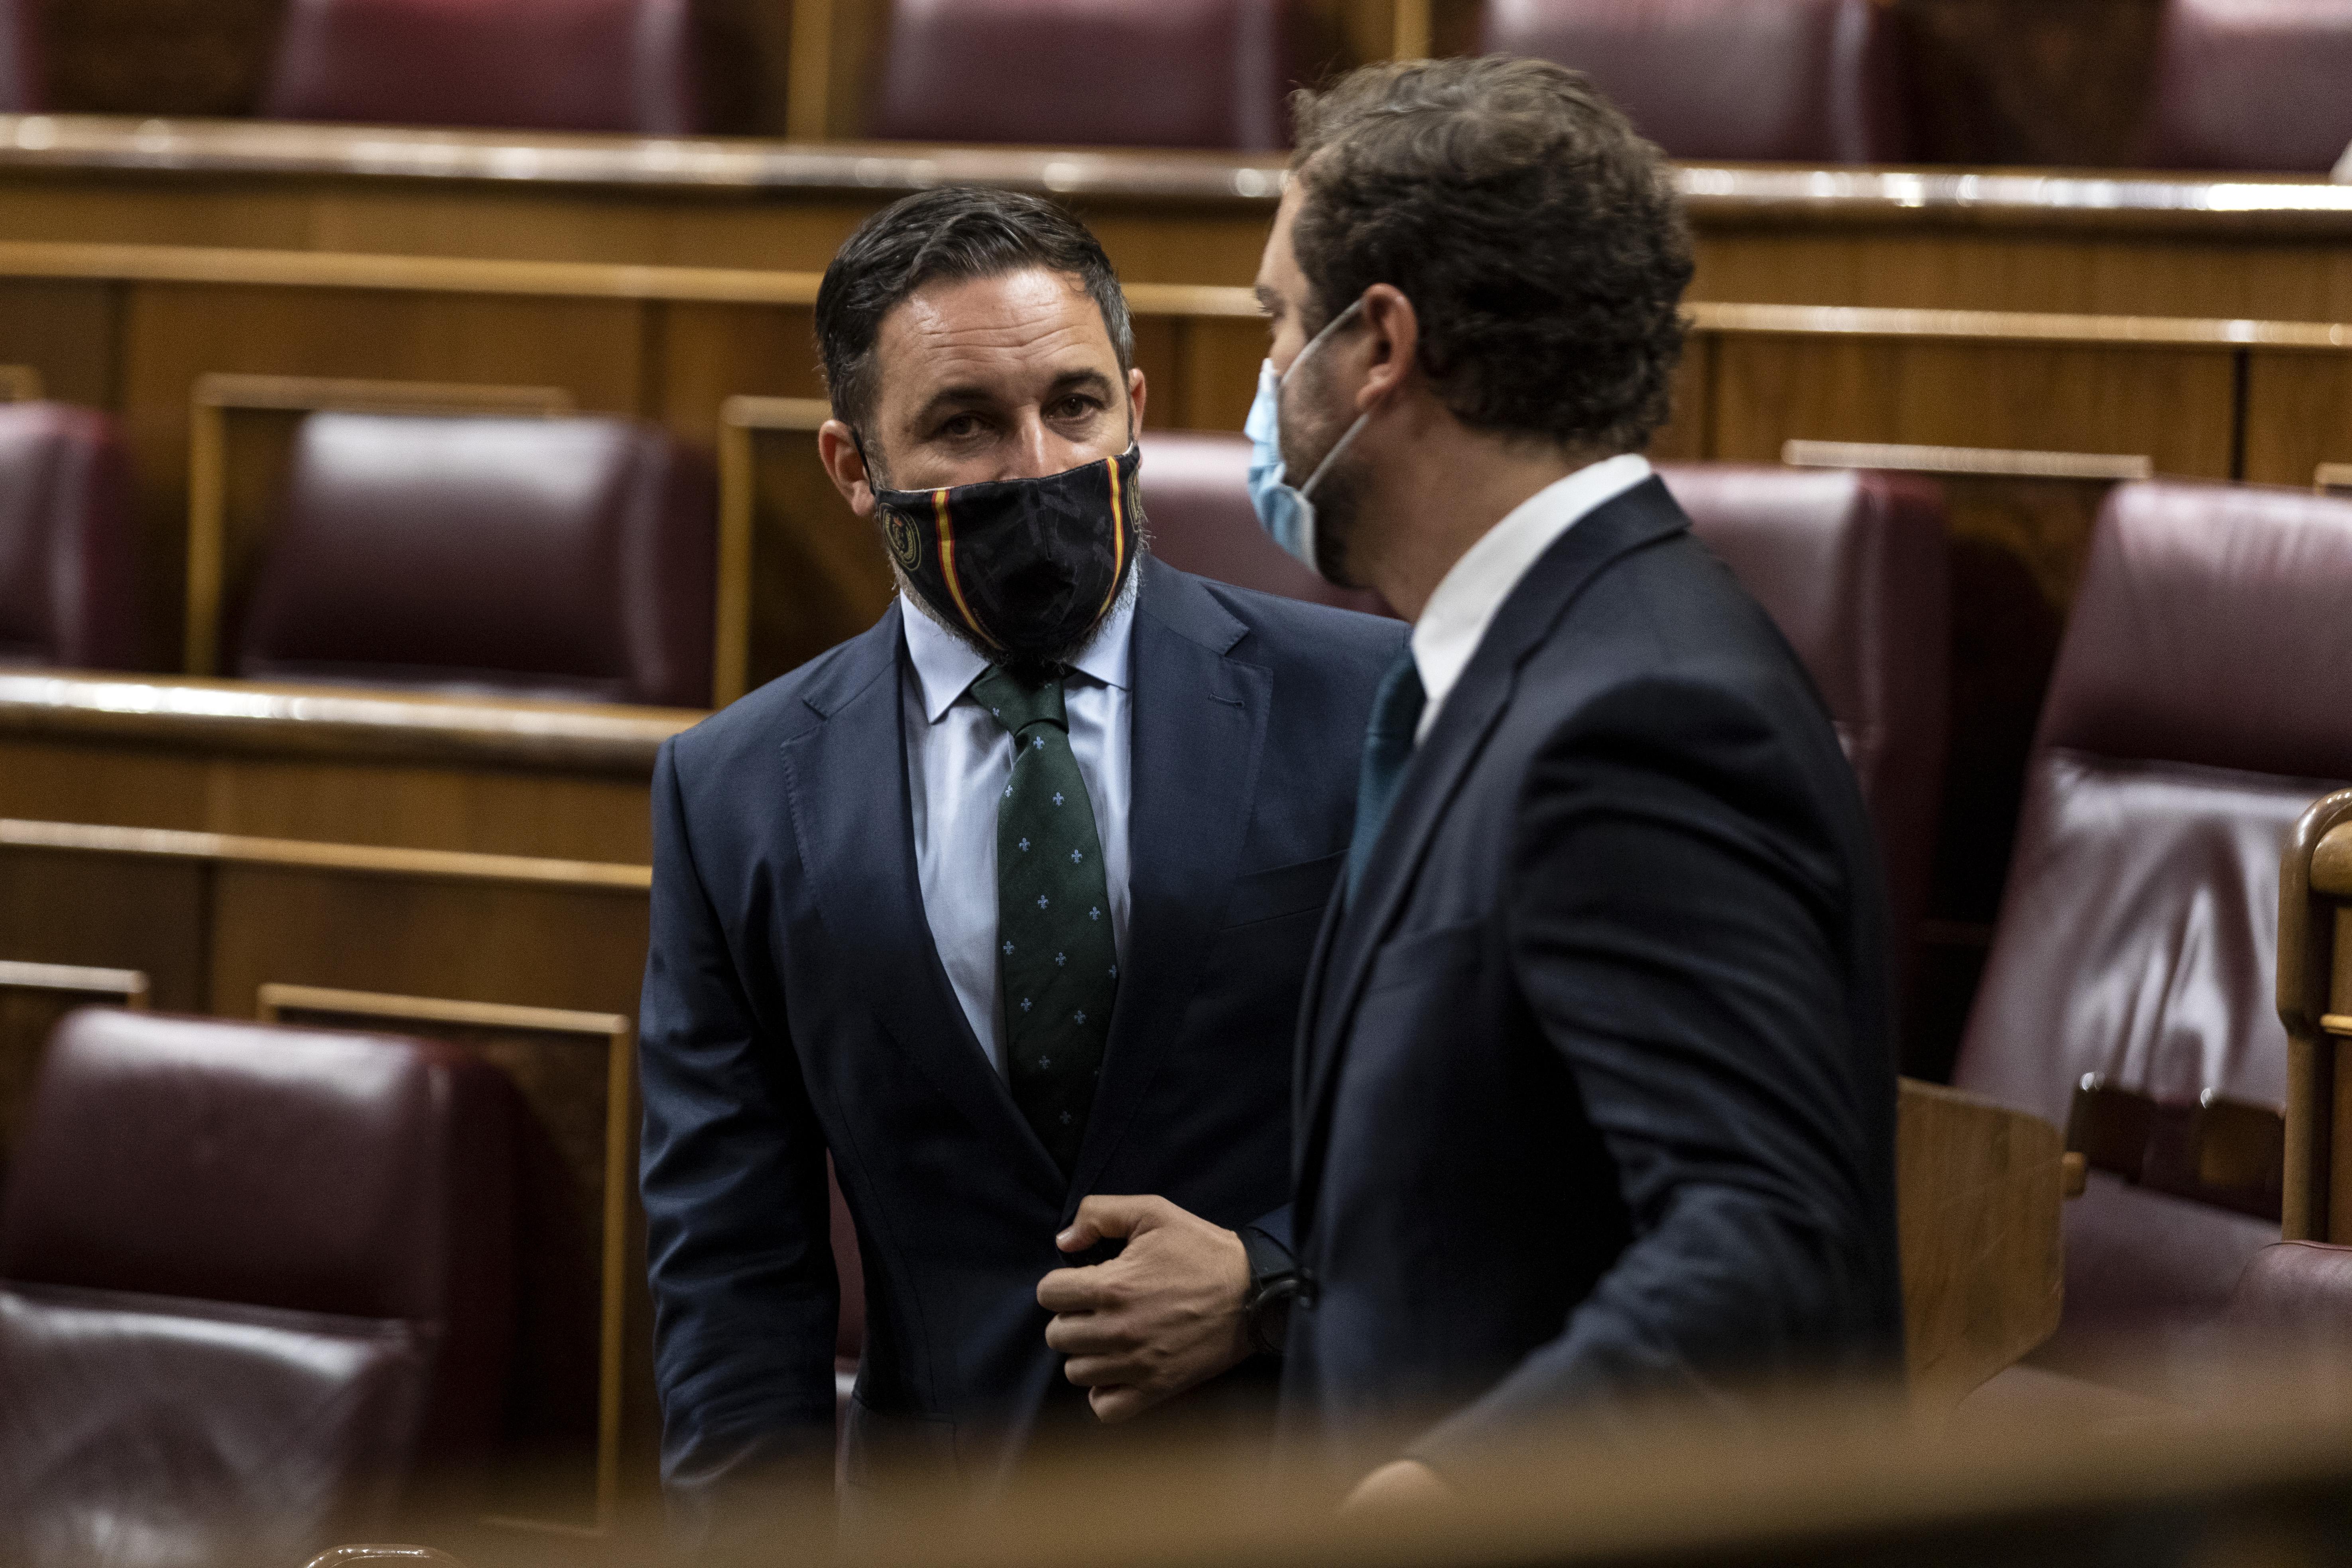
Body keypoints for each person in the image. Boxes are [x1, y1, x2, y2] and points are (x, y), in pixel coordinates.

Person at [636, 184, 1404, 1529]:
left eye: (1075, 405)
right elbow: (731, 1271)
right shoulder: (735, 790)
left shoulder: (1365, 703)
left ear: (1138, 409)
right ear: (850, 466)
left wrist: (1273, 1283)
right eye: (964, 426)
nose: (1037, 463)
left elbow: (1491, 1139)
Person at [1248, 58, 1906, 1505]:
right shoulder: (1520, 665)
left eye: (1279, 324)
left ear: (1379, 348)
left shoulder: (1637, 715)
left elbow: (1766, 1241)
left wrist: (1444, 1496)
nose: (1265, 383)